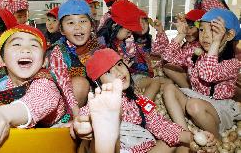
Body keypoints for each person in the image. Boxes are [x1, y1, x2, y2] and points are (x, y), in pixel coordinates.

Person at [75, 48, 217, 153]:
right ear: (98, 84)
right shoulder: (98, 104)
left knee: (178, 143)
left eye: (119, 65)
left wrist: (193, 137)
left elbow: (161, 126)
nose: (118, 73)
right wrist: (81, 128)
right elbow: (81, 121)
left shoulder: (139, 101)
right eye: (107, 72)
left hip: (140, 148)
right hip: (113, 148)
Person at [0, 24, 67, 153]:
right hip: (10, 139)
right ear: (1, 59)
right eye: (16, 44)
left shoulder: (45, 82)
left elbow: (37, 101)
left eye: (34, 45)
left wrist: (3, 114)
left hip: (47, 140)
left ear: (44, 61)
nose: (26, 50)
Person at [163, 8, 241, 140]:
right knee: (169, 89)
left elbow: (208, 75)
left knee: (194, 105)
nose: (205, 35)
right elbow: (167, 57)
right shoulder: (196, 52)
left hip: (220, 109)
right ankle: (186, 135)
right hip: (196, 98)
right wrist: (181, 34)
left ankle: (216, 140)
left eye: (213, 30)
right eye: (202, 29)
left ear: (229, 35)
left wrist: (216, 42)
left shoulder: (233, 63)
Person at [49, 0, 105, 108]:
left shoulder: (98, 47)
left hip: (94, 101)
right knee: (80, 84)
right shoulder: (59, 51)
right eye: (70, 22)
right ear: (62, 29)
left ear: (92, 25)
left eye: (83, 21)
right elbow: (62, 85)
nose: (77, 27)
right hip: (67, 104)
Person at [163, 9, 206, 88]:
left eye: (191, 27)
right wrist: (181, 34)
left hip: (197, 86)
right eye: (185, 27)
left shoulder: (199, 46)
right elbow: (166, 56)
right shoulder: (187, 44)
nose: (188, 31)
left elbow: (167, 57)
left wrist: (181, 35)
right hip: (186, 77)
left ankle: (189, 92)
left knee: (168, 68)